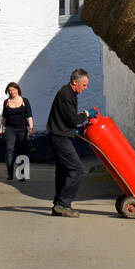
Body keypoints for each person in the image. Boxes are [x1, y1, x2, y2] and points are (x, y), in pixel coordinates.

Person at [47, 68, 91, 217]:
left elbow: (67, 119)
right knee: (77, 169)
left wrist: (75, 130)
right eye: (84, 85)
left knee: (63, 170)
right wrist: (85, 115)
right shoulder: (66, 95)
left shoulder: (69, 93)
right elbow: (72, 119)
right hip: (60, 137)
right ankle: (63, 204)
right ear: (75, 82)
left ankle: (58, 206)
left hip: (61, 134)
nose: (85, 88)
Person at [0, 82, 33, 181]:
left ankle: (21, 175)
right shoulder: (6, 102)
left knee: (22, 152)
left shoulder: (25, 101)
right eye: (10, 91)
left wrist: (31, 128)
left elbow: (29, 115)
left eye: (13, 90)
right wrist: (0, 128)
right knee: (9, 150)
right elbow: (4, 116)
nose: (12, 92)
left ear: (17, 89)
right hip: (10, 129)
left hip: (22, 129)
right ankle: (10, 174)